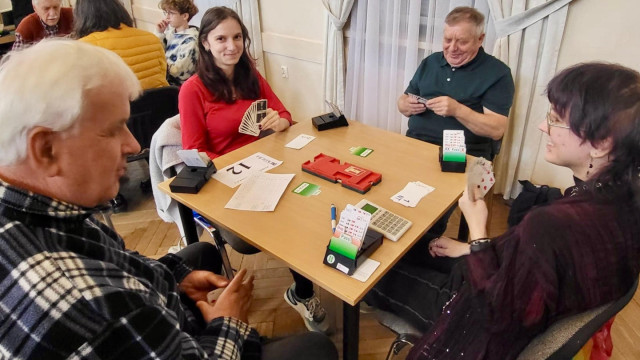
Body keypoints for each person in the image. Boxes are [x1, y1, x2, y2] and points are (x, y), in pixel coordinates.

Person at [0, 38, 338, 360]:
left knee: (201, 253)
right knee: (316, 349)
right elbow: (196, 150)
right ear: (45, 150)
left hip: (167, 314)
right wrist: (230, 323)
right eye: (113, 129)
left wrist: (170, 279)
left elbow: (116, 261)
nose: (134, 146)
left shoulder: (53, 210)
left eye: (237, 38)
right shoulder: (83, 303)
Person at [366, 62, 640, 359]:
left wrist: (478, 231)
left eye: (556, 118)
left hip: (468, 310)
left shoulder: (553, 225)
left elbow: (493, 316)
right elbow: (531, 263)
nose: (542, 125)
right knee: (400, 243)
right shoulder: (621, 204)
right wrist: (467, 250)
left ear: (600, 144)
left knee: (368, 265)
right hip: (503, 288)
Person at [179, 6, 330, 334]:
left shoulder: (250, 74)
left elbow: (284, 113)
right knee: (270, 228)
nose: (231, 46)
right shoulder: (193, 89)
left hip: (267, 165)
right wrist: (233, 168)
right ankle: (303, 289)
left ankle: (302, 291)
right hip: (225, 180)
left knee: (306, 203)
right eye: (221, 39)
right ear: (205, 43)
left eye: (237, 37)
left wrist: (281, 122)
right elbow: (194, 151)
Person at [398, 6, 514, 161]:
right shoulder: (430, 62)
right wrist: (405, 105)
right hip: (415, 144)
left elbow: (496, 130)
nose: (452, 48)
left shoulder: (498, 73)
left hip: (464, 155)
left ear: (480, 39)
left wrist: (457, 110)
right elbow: (403, 100)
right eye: (447, 40)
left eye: (462, 42)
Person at [75, 0, 169, 90]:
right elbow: (162, 75)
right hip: (159, 104)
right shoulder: (152, 39)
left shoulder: (82, 48)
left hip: (115, 105)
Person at [155, 0, 199, 86]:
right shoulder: (170, 32)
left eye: (171, 13)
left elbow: (178, 72)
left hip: (178, 88)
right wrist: (160, 33)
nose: (167, 17)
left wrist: (157, 63)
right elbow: (158, 52)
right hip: (165, 82)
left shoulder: (191, 41)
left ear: (185, 16)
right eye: (166, 13)